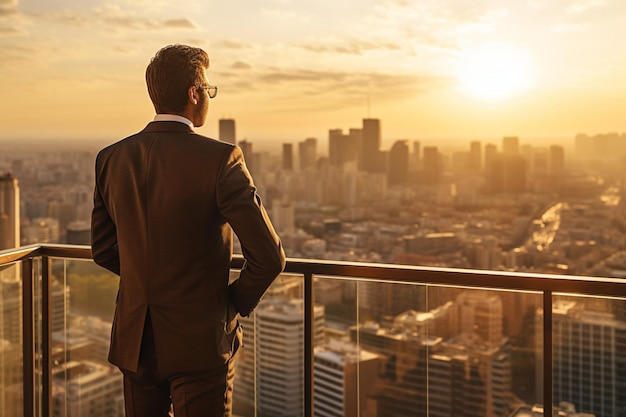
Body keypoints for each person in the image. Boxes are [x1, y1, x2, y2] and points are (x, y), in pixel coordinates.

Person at [91, 44, 286, 417]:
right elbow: (269, 256)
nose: (209, 97)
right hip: (200, 341)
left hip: (135, 340)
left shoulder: (111, 158)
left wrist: (152, 281)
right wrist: (228, 304)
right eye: (208, 90)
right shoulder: (220, 159)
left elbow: (102, 250)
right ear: (193, 94)